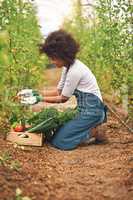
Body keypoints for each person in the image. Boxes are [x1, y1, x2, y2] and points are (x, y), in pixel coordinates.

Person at [18, 30, 107, 150]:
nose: (51, 62)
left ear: (63, 55)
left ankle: (95, 131)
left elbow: (63, 99)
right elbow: (59, 91)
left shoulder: (75, 70)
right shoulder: (68, 67)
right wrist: (35, 92)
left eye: (53, 58)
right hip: (83, 109)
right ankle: (90, 126)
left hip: (92, 110)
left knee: (60, 142)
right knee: (55, 134)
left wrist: (39, 99)